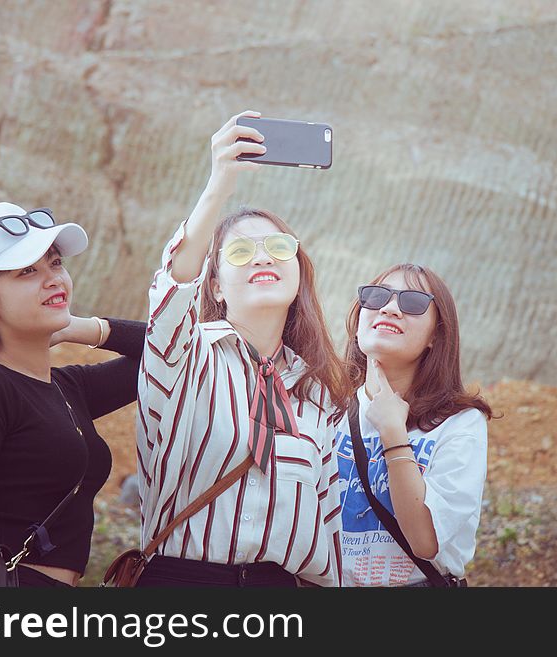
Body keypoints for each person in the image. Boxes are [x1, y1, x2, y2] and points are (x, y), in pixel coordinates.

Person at [135, 111, 350, 587]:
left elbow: (328, 527)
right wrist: (218, 187)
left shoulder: (317, 394)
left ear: (299, 272)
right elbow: (173, 288)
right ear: (214, 286)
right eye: (238, 252)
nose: (261, 256)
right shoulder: (187, 359)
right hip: (183, 585)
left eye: (278, 246)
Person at [0, 202, 145, 587]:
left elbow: (171, 353)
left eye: (55, 263)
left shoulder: (67, 387)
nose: (53, 279)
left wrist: (82, 328)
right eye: (28, 270)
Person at [336, 264, 494, 586]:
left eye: (413, 302)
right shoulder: (324, 409)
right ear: (358, 322)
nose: (390, 308)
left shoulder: (459, 422)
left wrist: (393, 433)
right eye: (377, 296)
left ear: (436, 335)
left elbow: (424, 541)